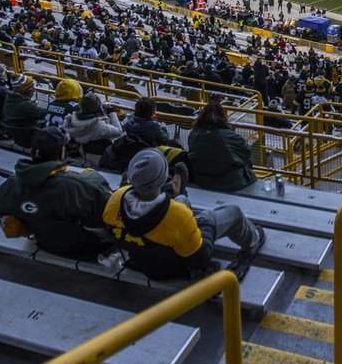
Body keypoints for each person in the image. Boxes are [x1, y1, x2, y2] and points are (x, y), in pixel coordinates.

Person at [103, 148, 265, 281]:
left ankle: (178, 192)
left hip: (143, 259)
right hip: (176, 266)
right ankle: (252, 242)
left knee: (181, 200)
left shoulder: (116, 198)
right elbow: (200, 258)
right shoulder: (177, 216)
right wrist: (205, 228)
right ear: (162, 179)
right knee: (233, 213)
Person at [0, 128, 114, 260]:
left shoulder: (12, 183)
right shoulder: (79, 186)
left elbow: (3, 215)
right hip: (84, 248)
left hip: (44, 241)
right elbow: (109, 216)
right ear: (61, 152)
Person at [187, 99, 256, 192]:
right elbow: (246, 152)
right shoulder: (228, 135)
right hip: (228, 182)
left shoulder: (194, 134)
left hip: (200, 179)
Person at [65, 91, 125, 156]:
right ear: (97, 107)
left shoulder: (72, 119)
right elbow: (119, 132)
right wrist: (112, 113)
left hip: (84, 153)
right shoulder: (99, 125)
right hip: (100, 156)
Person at [1, 73, 48, 148]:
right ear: (28, 90)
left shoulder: (9, 97)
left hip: (16, 135)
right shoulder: (26, 106)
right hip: (28, 138)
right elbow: (46, 114)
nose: (34, 89)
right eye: (33, 87)